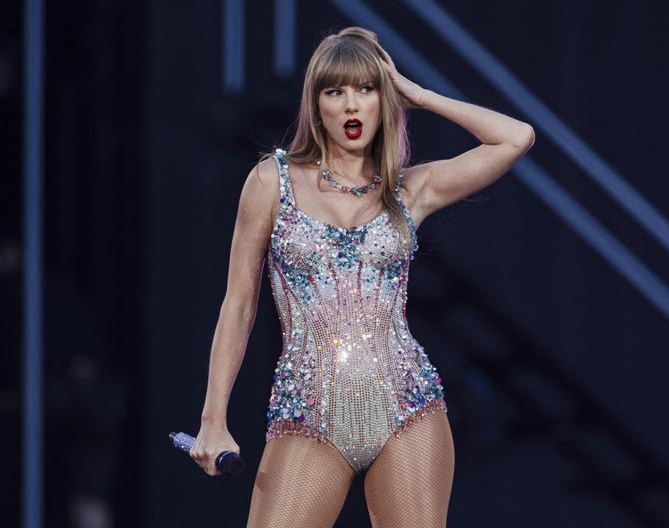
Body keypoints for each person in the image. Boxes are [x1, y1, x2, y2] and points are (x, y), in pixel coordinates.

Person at [190, 26, 534, 527]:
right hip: (309, 414)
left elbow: (516, 137)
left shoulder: (408, 190)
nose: (352, 106)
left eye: (366, 90)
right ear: (316, 104)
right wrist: (212, 419)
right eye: (336, 91)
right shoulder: (272, 182)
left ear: (384, 99)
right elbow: (239, 305)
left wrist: (419, 94)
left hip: (407, 407)